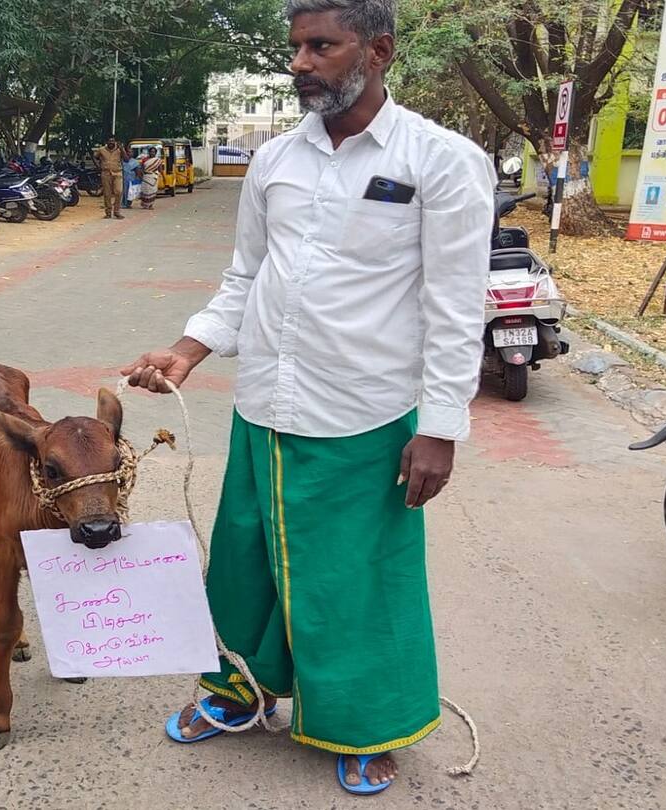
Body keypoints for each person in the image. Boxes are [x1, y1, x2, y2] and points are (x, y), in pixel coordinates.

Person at [121, 0, 494, 796]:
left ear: (379, 50)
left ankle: (365, 725)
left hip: (364, 414)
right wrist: (187, 350)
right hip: (265, 404)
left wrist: (441, 427)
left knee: (354, 580)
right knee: (244, 563)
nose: (300, 64)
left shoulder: (442, 160)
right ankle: (237, 694)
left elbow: (457, 306)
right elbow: (246, 277)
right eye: (295, 47)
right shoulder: (276, 161)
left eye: (321, 46)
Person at [93, 135, 125, 219]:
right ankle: (108, 212)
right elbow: (95, 157)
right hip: (106, 173)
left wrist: (122, 149)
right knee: (107, 194)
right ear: (106, 142)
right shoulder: (101, 150)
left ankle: (117, 211)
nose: (111, 143)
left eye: (112, 141)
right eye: (109, 141)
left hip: (117, 173)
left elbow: (126, 159)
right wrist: (98, 166)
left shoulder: (119, 149)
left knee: (119, 191)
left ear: (115, 142)